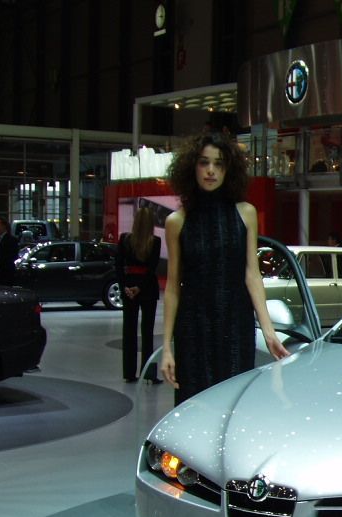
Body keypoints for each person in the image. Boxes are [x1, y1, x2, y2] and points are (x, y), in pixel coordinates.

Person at [160, 131, 290, 405]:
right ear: (191, 166)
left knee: (233, 404)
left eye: (218, 164)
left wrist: (269, 333)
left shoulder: (246, 213)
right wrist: (166, 349)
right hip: (193, 327)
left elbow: (252, 275)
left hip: (236, 323)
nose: (210, 171)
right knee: (194, 407)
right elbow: (172, 287)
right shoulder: (176, 221)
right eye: (204, 163)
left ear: (228, 169)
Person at [117, 207, 162, 383]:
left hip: (129, 289)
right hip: (147, 289)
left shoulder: (125, 240)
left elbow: (118, 266)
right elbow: (151, 269)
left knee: (129, 331)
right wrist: (140, 287)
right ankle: (149, 374)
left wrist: (125, 287)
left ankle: (129, 373)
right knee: (147, 332)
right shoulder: (155, 242)